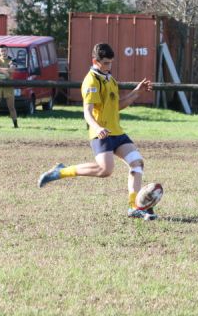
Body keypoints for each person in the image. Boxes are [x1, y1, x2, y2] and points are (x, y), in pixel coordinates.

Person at [37, 43, 158, 221]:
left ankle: (134, 207)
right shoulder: (91, 81)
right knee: (105, 170)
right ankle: (61, 172)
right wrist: (98, 127)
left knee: (137, 163)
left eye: (111, 63)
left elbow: (117, 106)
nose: (110, 66)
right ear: (96, 61)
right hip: (101, 133)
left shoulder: (110, 79)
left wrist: (136, 92)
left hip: (116, 131)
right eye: (106, 63)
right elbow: (87, 112)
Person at [0, 44, 18, 128]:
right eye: (1, 51)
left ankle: (15, 125)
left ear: (7, 51)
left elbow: (12, 70)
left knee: (11, 106)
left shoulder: (12, 60)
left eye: (5, 50)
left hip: (8, 85)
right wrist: (4, 71)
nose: (3, 52)